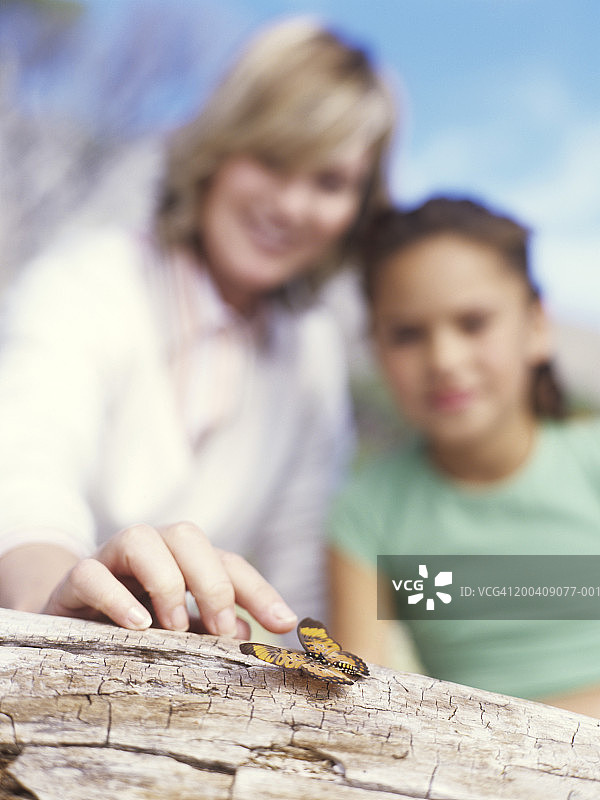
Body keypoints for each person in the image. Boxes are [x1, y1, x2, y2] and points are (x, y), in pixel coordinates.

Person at [0, 17, 396, 641]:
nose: (292, 205)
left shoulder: (312, 356)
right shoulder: (84, 283)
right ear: (218, 148)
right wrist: (54, 603)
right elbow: (26, 478)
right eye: (272, 159)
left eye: (329, 181)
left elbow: (296, 583)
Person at [328, 196, 600, 716]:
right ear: (377, 349)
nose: (445, 360)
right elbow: (352, 699)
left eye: (473, 323)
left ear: (537, 326)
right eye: (407, 334)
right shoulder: (365, 517)